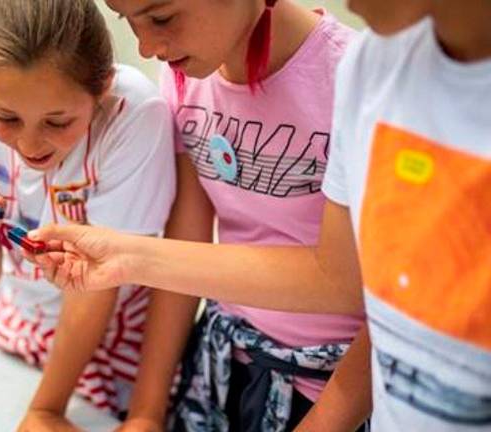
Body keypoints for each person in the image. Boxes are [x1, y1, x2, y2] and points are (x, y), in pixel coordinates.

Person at [30, 0, 491, 430]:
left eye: (163, 18)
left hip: (334, 385)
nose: (148, 46)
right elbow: (185, 254)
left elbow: (372, 293)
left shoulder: (350, 72)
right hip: (223, 363)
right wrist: (147, 414)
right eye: (127, 20)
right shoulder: (185, 74)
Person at [0, 0, 176, 426]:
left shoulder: (135, 114)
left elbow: (101, 282)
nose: (30, 146)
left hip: (111, 346)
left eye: (57, 121)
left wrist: (46, 408)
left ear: (102, 86)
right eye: (6, 117)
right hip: (13, 327)